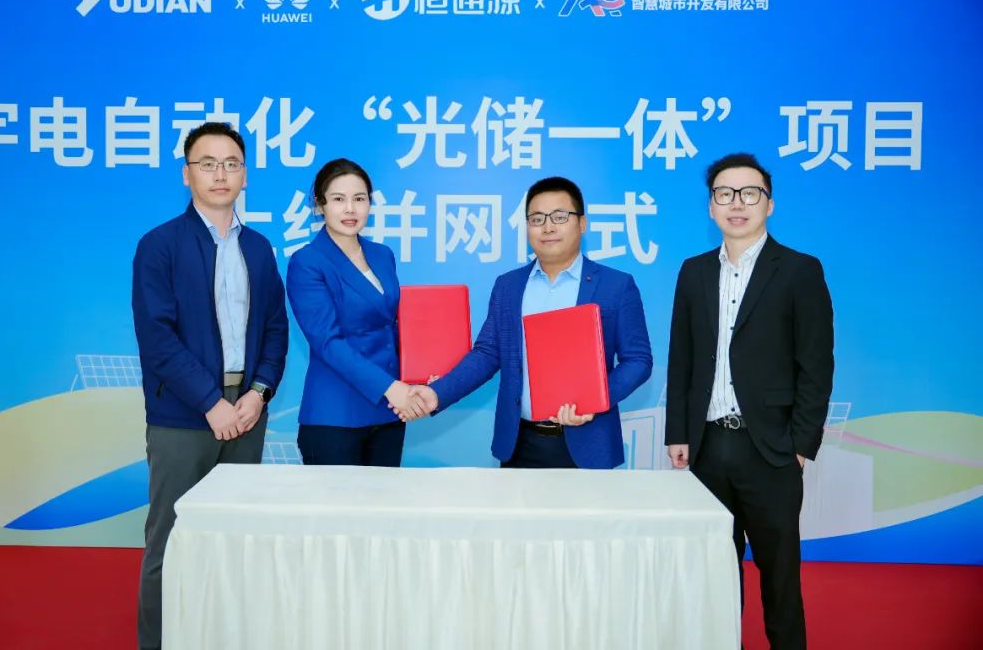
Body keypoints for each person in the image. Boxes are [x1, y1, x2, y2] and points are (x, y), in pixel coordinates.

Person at [665, 152, 834, 650]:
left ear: (769, 203)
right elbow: (681, 358)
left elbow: (816, 365)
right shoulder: (694, 272)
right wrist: (678, 431)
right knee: (714, 576)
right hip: (707, 445)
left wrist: (799, 445)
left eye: (749, 193)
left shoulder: (799, 270)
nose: (736, 203)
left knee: (779, 577)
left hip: (771, 449)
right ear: (711, 207)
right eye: (724, 194)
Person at [131, 121, 289, 650]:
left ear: (245, 175)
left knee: (234, 543)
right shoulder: (159, 246)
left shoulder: (260, 248)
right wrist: (209, 402)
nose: (220, 174)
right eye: (208, 163)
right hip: (182, 416)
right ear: (187, 174)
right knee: (171, 545)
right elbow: (158, 338)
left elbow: (275, 329)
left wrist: (258, 393)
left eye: (231, 164)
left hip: (246, 415)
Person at [404, 176, 653, 469]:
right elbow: (487, 353)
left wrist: (596, 401)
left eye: (559, 217)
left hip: (588, 444)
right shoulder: (508, 286)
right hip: (519, 443)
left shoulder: (615, 286)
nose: (548, 227)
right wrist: (437, 393)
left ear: (582, 223)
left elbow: (638, 361)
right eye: (537, 219)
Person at [286, 158, 423, 466]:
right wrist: (390, 387)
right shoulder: (307, 262)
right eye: (338, 199)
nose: (350, 209)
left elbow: (392, 327)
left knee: (386, 499)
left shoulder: (382, 255)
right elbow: (328, 343)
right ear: (320, 205)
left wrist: (423, 374)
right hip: (336, 415)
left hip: (389, 410)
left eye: (359, 199)